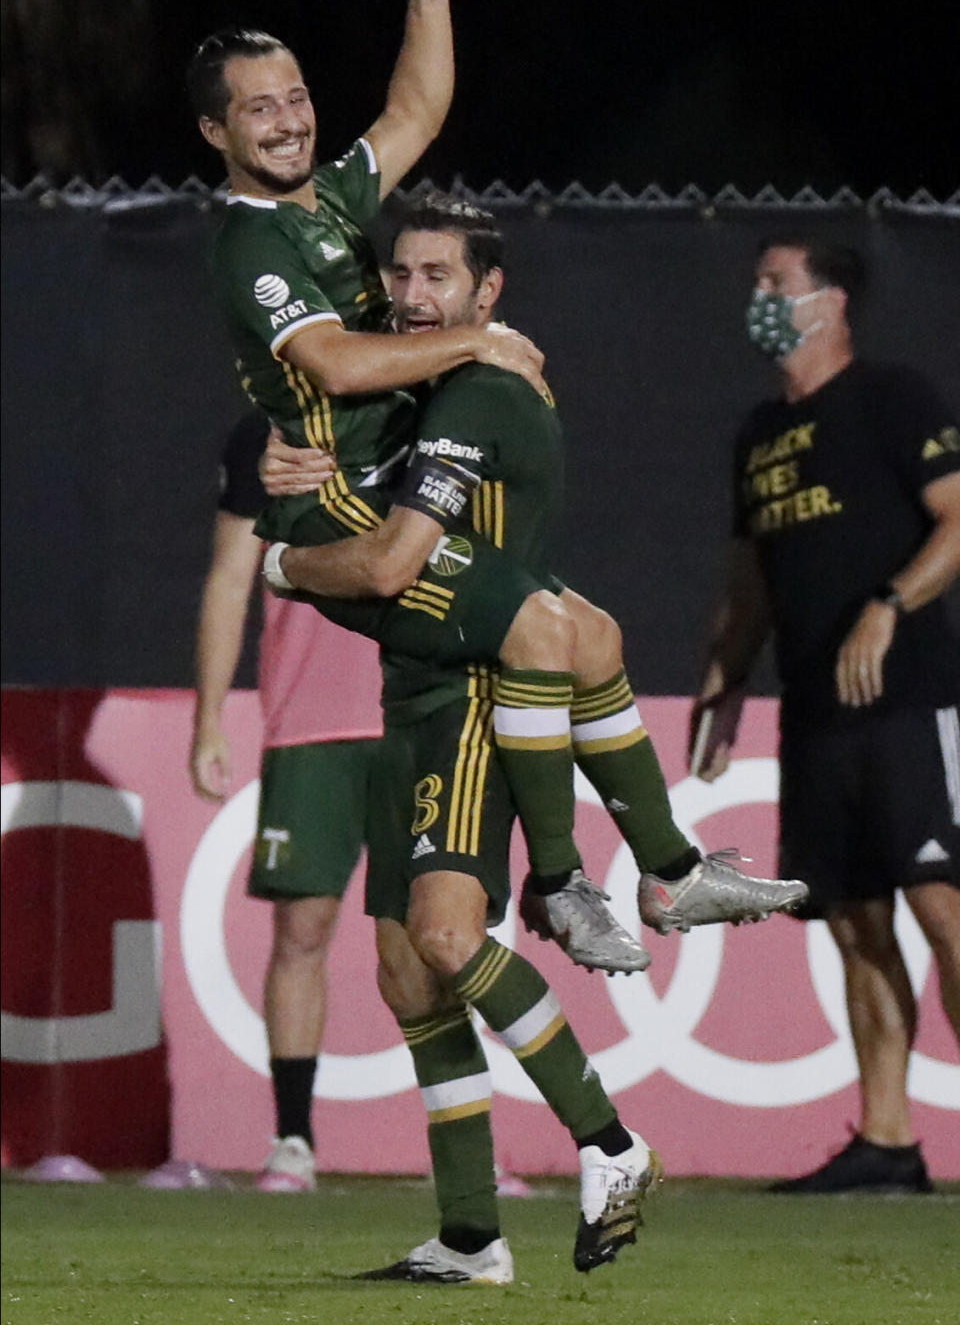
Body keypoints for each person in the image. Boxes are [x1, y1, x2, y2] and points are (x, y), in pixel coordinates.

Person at [258, 195, 808, 1280]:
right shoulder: (422, 393)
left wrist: (281, 558)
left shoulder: (480, 391)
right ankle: (470, 1237)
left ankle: (613, 1144)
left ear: (487, 295)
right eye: (401, 275)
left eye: (438, 278)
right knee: (409, 976)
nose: (414, 297)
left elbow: (385, 568)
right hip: (410, 697)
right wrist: (298, 472)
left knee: (451, 940)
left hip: (467, 699)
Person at [692, 231, 960, 1193]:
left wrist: (888, 608)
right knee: (854, 921)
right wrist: (724, 679)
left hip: (907, 700)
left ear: (832, 301)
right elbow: (751, 574)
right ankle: (888, 1141)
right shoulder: (761, 434)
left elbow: (958, 516)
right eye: (757, 280)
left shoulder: (893, 397)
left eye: (777, 282)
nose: (759, 296)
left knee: (944, 907)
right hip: (813, 712)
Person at [189, 409, 382, 1192]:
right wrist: (208, 718)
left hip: (423, 706)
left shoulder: (435, 403)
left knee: (438, 936)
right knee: (302, 928)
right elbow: (232, 576)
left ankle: (466, 1144)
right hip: (310, 718)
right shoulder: (266, 431)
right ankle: (293, 1140)